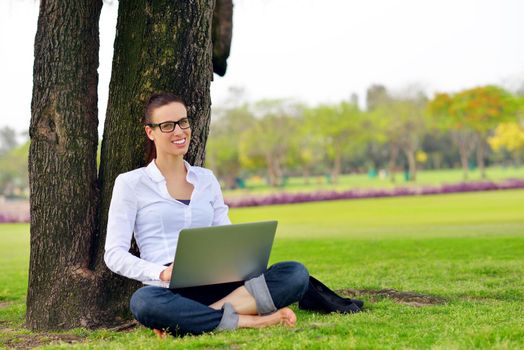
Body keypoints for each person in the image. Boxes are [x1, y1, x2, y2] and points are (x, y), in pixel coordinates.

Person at [104, 92, 310, 337]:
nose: (179, 132)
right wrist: (162, 272)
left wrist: (241, 258)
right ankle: (249, 320)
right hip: (169, 289)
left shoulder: (206, 179)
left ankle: (202, 317)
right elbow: (114, 254)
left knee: (295, 273)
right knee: (143, 302)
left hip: (222, 283)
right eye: (167, 126)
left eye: (183, 122)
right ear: (151, 132)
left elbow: (226, 232)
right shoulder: (131, 183)